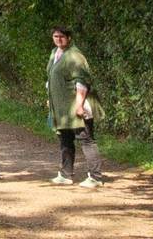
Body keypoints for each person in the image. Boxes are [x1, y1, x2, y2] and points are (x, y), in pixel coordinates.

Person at [46, 26, 109, 187]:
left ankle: (96, 177)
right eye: (55, 36)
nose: (58, 39)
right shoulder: (55, 53)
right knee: (65, 140)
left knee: (86, 139)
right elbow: (52, 78)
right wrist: (50, 98)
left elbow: (82, 82)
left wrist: (79, 105)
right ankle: (66, 174)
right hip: (62, 108)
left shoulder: (75, 56)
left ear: (69, 38)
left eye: (61, 36)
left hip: (77, 105)